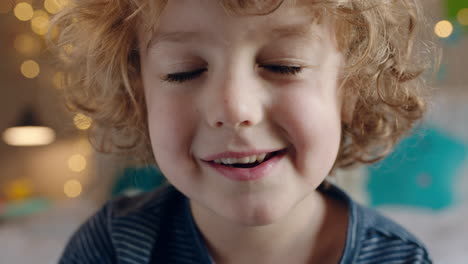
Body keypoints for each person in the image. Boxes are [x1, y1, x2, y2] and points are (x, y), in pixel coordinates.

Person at [53, 0, 435, 263]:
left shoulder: (401, 258)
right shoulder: (113, 248)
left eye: (283, 65)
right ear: (139, 95)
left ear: (351, 89)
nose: (234, 108)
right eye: (183, 70)